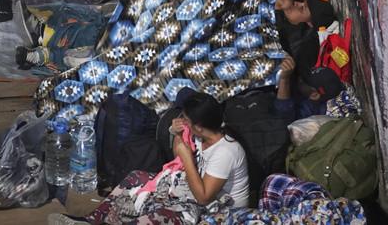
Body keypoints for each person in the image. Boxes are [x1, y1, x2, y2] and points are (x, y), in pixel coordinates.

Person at [49, 91, 248, 224]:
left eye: (186, 119)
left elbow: (204, 198)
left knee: (161, 214)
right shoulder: (203, 135)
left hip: (218, 212)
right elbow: (180, 147)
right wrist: (174, 131)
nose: (182, 121)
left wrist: (186, 158)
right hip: (193, 192)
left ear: (198, 126)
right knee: (137, 177)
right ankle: (92, 219)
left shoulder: (225, 152)